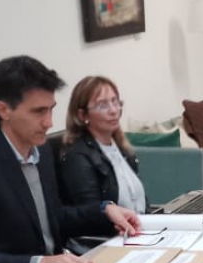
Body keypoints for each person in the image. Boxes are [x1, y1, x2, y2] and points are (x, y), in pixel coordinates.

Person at [0, 55, 140, 263]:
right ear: (3, 110)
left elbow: (54, 217)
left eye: (51, 109)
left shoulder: (41, 150)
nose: (49, 122)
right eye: (38, 112)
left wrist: (104, 210)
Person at [60, 75, 147, 214]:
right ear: (83, 115)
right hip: (113, 228)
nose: (113, 110)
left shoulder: (120, 147)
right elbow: (91, 214)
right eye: (103, 105)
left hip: (141, 224)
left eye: (115, 102)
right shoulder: (77, 156)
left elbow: (139, 201)